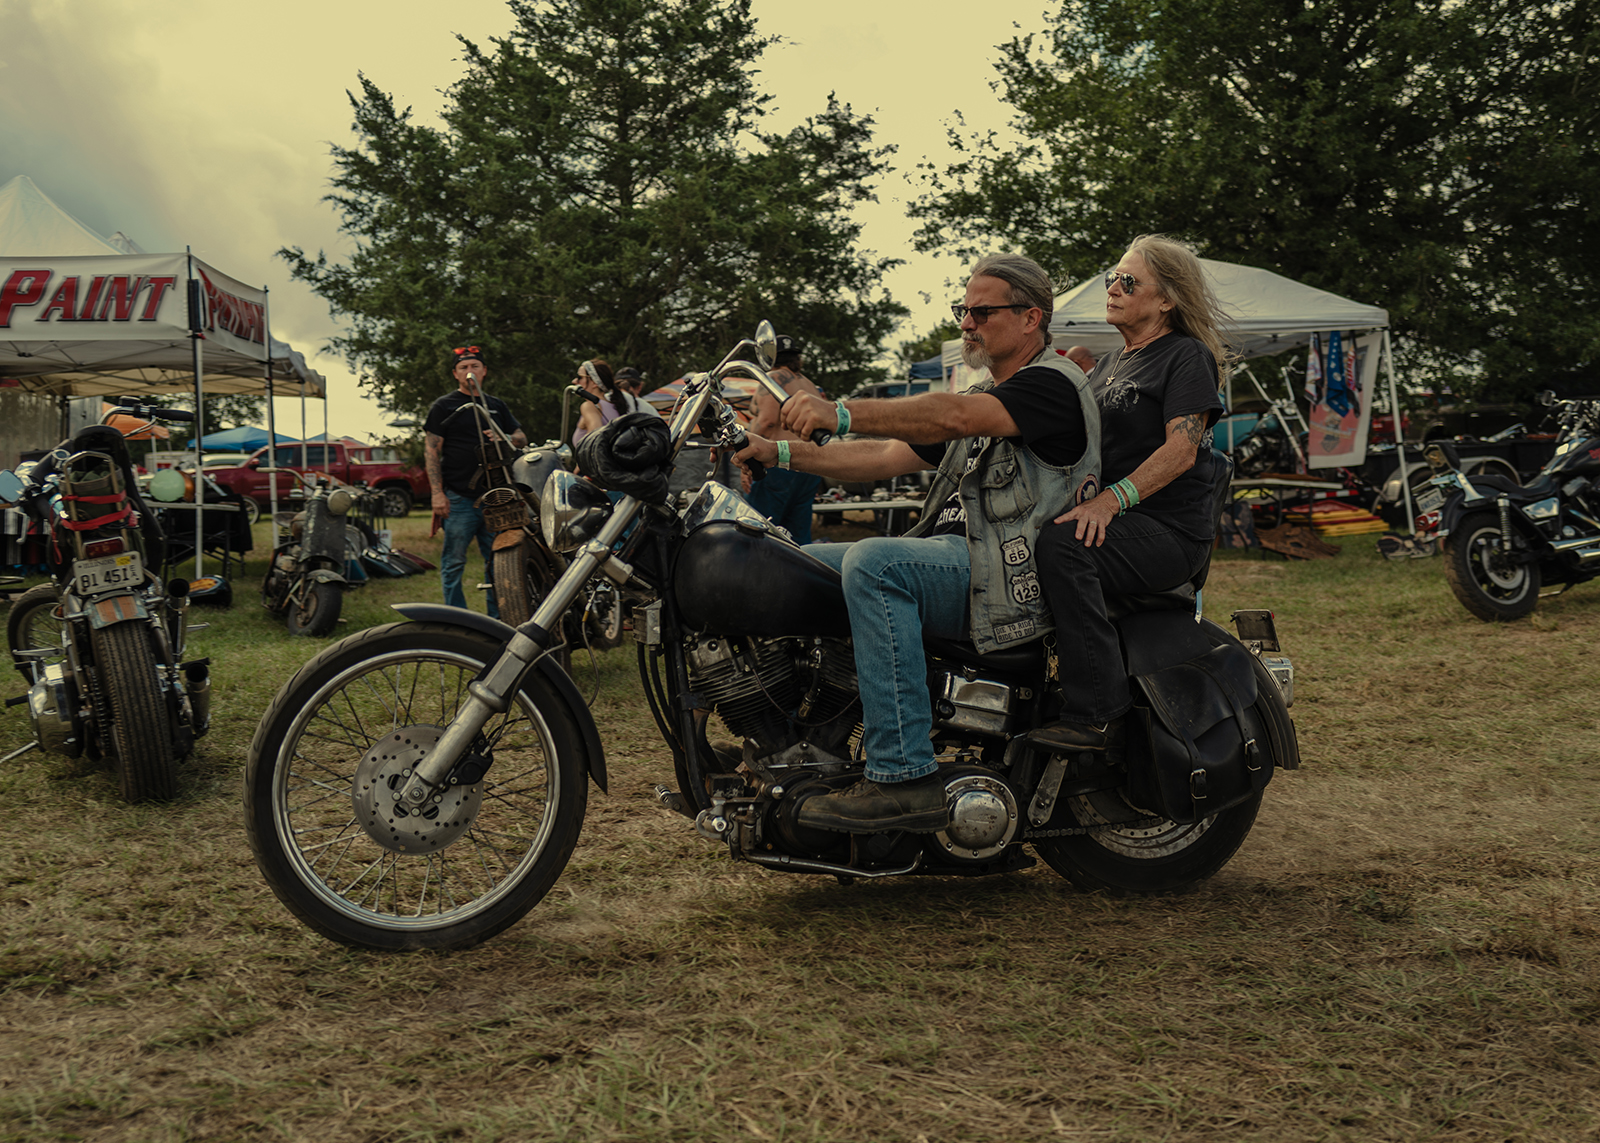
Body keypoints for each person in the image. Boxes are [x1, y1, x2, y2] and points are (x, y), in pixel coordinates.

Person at [735, 254, 1101, 834]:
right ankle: (804, 740)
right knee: (784, 559)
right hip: (954, 560)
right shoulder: (994, 392)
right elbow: (882, 458)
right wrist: (777, 451)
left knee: (877, 563)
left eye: (982, 311)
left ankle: (903, 776)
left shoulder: (1050, 385)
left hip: (1004, 576)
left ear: (1032, 317)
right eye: (964, 310)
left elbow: (953, 416)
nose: (966, 324)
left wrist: (842, 411)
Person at [1031, 234, 1231, 760]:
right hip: (1123, 522)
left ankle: (1097, 714)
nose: (1113, 289)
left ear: (1166, 299)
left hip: (1169, 529)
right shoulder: (1107, 364)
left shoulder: (1185, 356)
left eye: (1128, 281)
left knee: (1064, 546)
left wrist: (1108, 501)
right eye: (1111, 279)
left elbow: (1182, 450)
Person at [423, 345, 527, 616]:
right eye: (464, 368)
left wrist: (505, 438)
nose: (470, 372)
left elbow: (520, 437)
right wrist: (437, 494)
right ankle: (458, 619)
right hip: (459, 497)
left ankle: (498, 619)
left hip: (496, 497)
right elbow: (432, 450)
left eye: (475, 367)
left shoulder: (495, 405)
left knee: (499, 561)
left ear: (484, 371)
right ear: (455, 374)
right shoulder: (443, 406)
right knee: (454, 561)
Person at [746, 334, 826, 544]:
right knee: (797, 535)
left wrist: (747, 457)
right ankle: (800, 575)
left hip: (779, 463)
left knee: (759, 532)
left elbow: (766, 422)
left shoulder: (772, 379)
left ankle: (758, 575)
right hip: (810, 464)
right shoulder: (809, 384)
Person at [572, 359, 644, 446]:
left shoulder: (590, 406)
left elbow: (595, 441)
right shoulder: (616, 406)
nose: (574, 381)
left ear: (594, 382)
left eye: (580, 377)